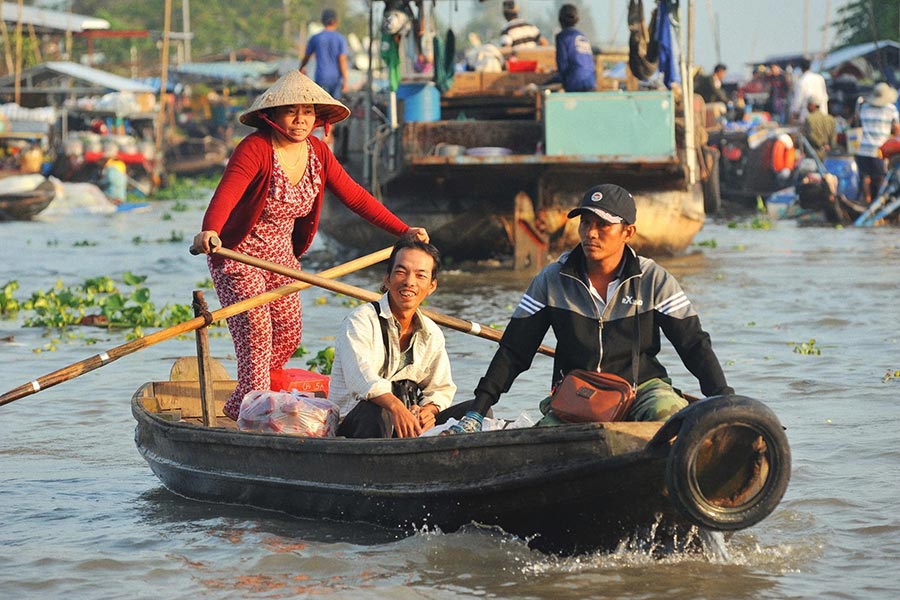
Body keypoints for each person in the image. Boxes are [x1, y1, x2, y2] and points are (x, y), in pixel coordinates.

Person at [192, 70, 429, 420]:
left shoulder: (317, 152)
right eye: (291, 112)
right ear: (271, 116)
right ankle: (252, 414)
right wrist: (209, 231)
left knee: (288, 332)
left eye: (307, 112)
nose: (300, 120)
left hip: (280, 256)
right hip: (237, 255)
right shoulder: (255, 148)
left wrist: (403, 231)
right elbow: (227, 194)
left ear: (318, 117)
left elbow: (356, 197)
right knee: (257, 331)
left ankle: (251, 400)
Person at [447, 183, 733, 434]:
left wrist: (724, 400)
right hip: (578, 392)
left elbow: (694, 344)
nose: (590, 233)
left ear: (628, 232)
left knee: (670, 416)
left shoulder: (654, 280)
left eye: (603, 225)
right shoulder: (551, 280)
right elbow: (514, 351)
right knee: (544, 443)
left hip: (643, 389)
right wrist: (478, 410)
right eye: (585, 223)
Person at [330, 240, 479, 438]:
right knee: (378, 410)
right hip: (356, 426)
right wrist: (395, 407)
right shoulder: (361, 320)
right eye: (401, 272)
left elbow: (440, 388)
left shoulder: (432, 334)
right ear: (387, 279)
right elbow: (361, 379)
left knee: (476, 413)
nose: (409, 282)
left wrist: (430, 411)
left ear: (431, 286)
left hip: (407, 427)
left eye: (420, 275)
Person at [853, 82, 900, 204]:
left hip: (863, 149)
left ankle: (868, 202)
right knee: (881, 178)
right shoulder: (891, 109)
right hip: (879, 150)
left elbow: (857, 123)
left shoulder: (864, 107)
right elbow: (897, 132)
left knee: (866, 177)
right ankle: (878, 204)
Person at [299, 9, 350, 99]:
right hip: (336, 79)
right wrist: (345, 81)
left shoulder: (316, 38)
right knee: (335, 108)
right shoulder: (340, 39)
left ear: (322, 21)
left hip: (321, 77)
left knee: (323, 107)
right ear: (336, 21)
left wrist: (301, 68)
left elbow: (306, 57)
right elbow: (342, 60)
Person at [547, 4, 596, 92]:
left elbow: (562, 66)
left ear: (560, 20)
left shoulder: (562, 37)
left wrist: (545, 84)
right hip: (591, 81)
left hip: (575, 82)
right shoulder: (582, 36)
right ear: (577, 19)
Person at [790, 57, 828, 124]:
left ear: (801, 68)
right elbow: (825, 96)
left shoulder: (801, 81)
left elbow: (798, 101)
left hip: (807, 117)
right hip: (823, 114)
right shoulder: (820, 78)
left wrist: (794, 114)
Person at [802, 95, 837, 161]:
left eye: (808, 105)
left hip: (814, 155)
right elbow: (833, 137)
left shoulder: (809, 119)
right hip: (828, 155)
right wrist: (830, 147)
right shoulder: (830, 119)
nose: (807, 107)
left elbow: (811, 135)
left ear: (813, 105)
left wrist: (821, 145)